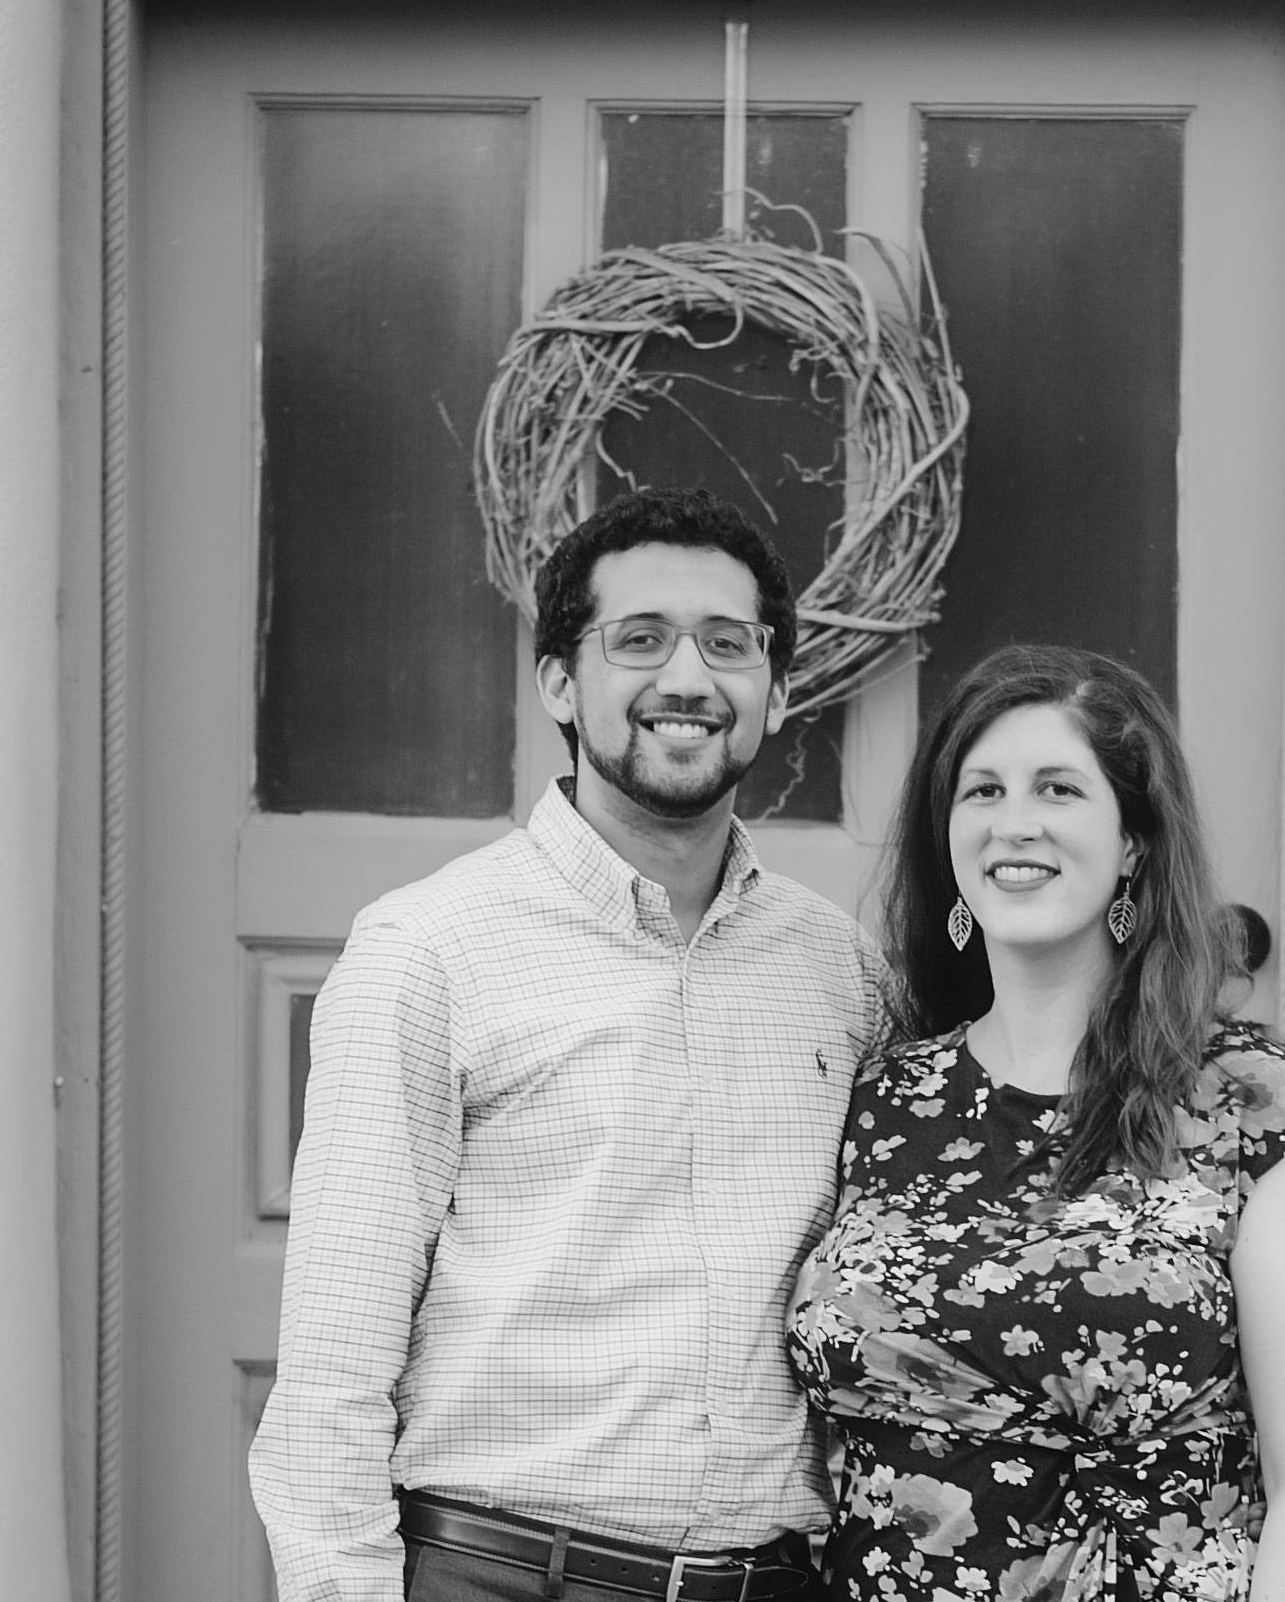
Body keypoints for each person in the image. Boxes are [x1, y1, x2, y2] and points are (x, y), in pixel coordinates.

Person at [252, 487, 883, 1602]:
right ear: (558, 680)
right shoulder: (430, 949)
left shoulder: (839, 970)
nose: (686, 678)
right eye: (638, 639)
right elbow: (332, 1360)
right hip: (503, 1574)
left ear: (776, 690)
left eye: (727, 643)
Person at [787, 645, 1285, 1602]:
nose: (1013, 823)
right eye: (981, 791)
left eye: (1058, 789)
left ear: (1133, 841)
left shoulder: (1248, 1104)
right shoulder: (885, 1098)